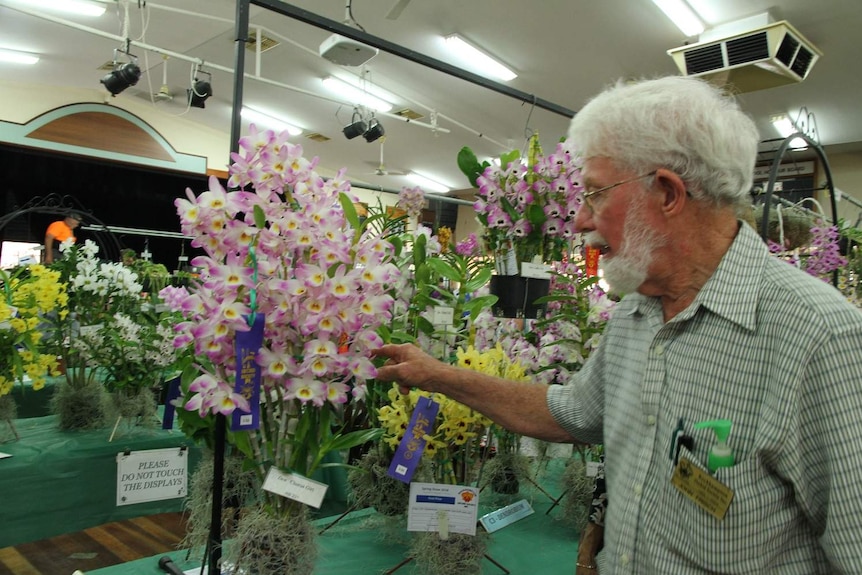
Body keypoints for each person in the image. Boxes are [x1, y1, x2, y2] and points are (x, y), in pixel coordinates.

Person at [374, 76, 862, 574]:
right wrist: (434, 375)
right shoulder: (637, 311)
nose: (580, 220)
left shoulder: (820, 339)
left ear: (668, 193)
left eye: (595, 195)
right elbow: (573, 414)